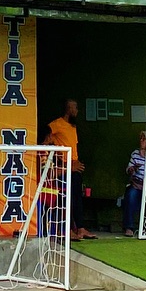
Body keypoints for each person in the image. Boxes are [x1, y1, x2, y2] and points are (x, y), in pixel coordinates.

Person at [42, 99, 93, 239]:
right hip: (63, 167)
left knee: (77, 196)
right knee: (67, 197)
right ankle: (67, 229)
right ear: (68, 109)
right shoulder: (57, 124)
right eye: (74, 107)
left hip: (74, 167)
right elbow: (46, 134)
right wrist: (49, 142)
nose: (76, 110)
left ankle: (80, 228)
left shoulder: (73, 126)